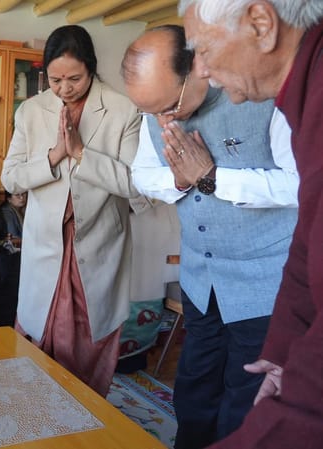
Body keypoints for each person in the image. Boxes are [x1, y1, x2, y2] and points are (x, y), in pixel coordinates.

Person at [121, 25, 299, 448]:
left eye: (170, 106)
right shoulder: (157, 111)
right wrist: (181, 180)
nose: (164, 120)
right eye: (152, 112)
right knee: (195, 384)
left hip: (263, 281)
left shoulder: (262, 95)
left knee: (246, 396)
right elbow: (142, 174)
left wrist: (213, 178)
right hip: (201, 277)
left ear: (197, 67)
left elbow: (300, 183)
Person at [177, 1, 323, 448]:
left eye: (204, 50)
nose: (201, 72)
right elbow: (309, 238)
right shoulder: (305, 93)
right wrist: (284, 349)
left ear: (262, 24)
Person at [0, 25, 141, 396]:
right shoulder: (31, 111)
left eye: (74, 79)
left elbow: (134, 182)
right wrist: (55, 155)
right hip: (45, 242)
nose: (64, 89)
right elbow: (11, 178)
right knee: (37, 333)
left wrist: (80, 153)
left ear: (91, 68)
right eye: (55, 79)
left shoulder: (123, 110)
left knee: (89, 339)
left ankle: (83, 412)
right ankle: (36, 412)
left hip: (97, 243)